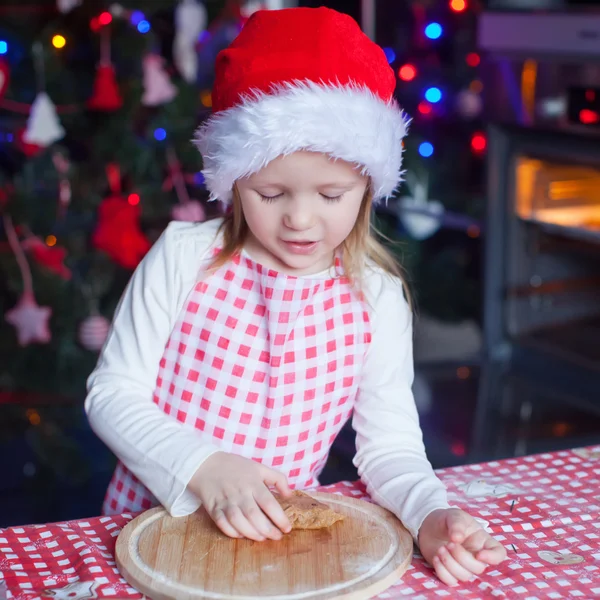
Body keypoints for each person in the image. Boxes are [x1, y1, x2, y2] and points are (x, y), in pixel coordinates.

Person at [85, 6, 506, 587]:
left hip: (272, 556)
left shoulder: (376, 297)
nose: (300, 220)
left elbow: (389, 447)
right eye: (271, 192)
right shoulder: (184, 257)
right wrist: (203, 466)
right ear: (234, 178)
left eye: (332, 194)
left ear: (368, 185)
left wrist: (429, 513)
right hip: (149, 544)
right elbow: (112, 394)